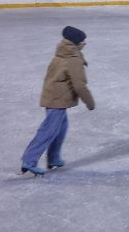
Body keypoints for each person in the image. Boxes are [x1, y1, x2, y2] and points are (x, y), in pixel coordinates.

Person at [20, 25, 94, 177]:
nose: (84, 44)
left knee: (60, 129)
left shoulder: (62, 52)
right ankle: (29, 160)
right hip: (57, 100)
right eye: (83, 42)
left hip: (54, 96)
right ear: (76, 43)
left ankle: (53, 158)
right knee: (49, 130)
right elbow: (79, 85)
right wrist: (90, 102)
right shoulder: (73, 59)